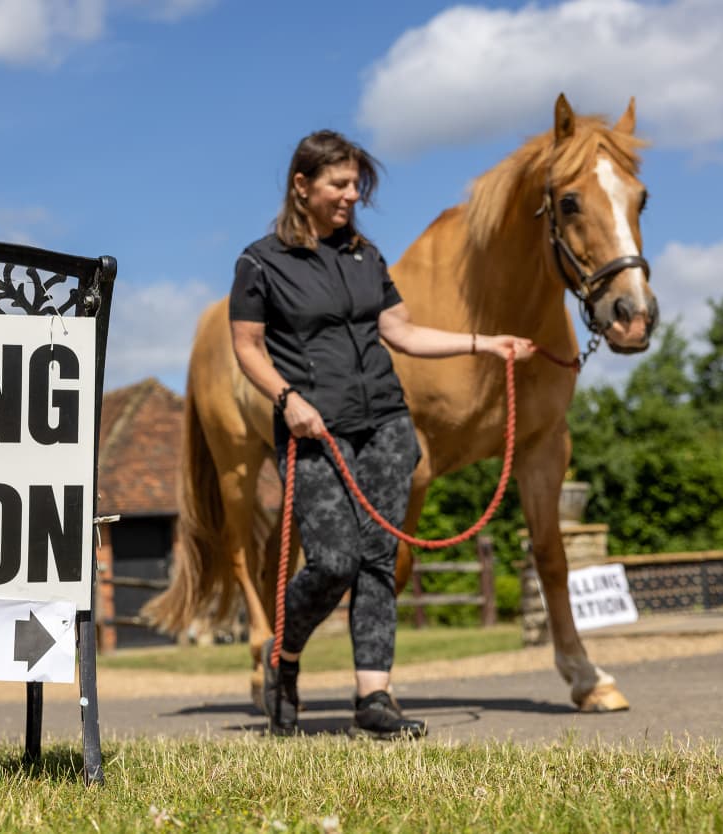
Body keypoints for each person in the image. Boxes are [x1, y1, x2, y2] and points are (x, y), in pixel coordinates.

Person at [228, 130, 533, 739]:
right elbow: (248, 347)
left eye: (355, 186)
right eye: (339, 184)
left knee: (377, 561)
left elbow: (403, 333)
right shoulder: (260, 263)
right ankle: (284, 656)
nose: (351, 196)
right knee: (333, 561)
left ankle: (374, 697)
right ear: (302, 185)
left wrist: (485, 344)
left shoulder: (365, 256)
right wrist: (287, 400)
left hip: (387, 426)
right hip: (315, 429)